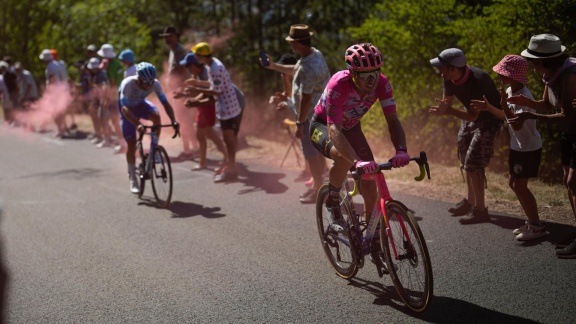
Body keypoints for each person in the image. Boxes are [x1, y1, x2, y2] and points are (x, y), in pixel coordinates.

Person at [310, 43, 409, 231]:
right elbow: (334, 131)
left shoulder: (382, 83)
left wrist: (401, 150)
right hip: (324, 125)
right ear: (352, 73)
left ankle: (371, 231)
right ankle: (332, 201)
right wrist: (356, 161)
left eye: (375, 72)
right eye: (364, 75)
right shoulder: (338, 85)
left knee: (371, 180)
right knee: (343, 158)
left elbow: (393, 121)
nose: (371, 79)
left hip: (352, 127)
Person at [508, 34, 576, 258]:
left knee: (572, 182)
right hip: (569, 134)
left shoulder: (568, 76)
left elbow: (567, 115)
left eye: (533, 61)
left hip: (573, 130)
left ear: (544, 60)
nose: (531, 65)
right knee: (569, 183)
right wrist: (529, 104)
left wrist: (529, 115)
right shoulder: (551, 75)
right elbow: (546, 105)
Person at [470, 55, 545, 241]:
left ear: (513, 76)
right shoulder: (512, 90)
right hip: (518, 146)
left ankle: (536, 226)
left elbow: (517, 124)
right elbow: (506, 116)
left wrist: (503, 103)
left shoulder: (524, 96)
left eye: (503, 74)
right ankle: (532, 221)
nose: (500, 77)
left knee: (520, 185)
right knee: (514, 184)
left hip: (527, 148)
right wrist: (489, 107)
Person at [429, 48, 503, 224]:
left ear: (453, 68)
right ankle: (470, 202)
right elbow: (447, 102)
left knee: (473, 163)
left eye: (442, 68)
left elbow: (472, 116)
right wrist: (444, 109)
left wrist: (449, 111)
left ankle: (481, 210)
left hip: (488, 119)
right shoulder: (449, 78)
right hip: (469, 114)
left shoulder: (478, 81)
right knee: (463, 152)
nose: (440, 72)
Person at [262, 24, 330, 203]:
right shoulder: (313, 54)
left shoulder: (309, 67)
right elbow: (296, 70)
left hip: (310, 117)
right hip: (320, 113)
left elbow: (306, 99)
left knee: (312, 154)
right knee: (318, 151)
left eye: (292, 42)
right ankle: (322, 186)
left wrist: (300, 124)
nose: (291, 46)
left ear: (299, 43)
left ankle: (317, 189)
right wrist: (272, 66)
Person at [186, 42, 243, 183]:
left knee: (229, 139)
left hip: (227, 107)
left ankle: (231, 169)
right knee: (229, 139)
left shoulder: (214, 68)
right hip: (228, 106)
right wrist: (198, 84)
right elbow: (214, 85)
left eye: (196, 54)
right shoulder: (212, 65)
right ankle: (231, 167)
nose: (194, 56)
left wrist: (197, 90)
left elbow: (216, 91)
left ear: (201, 55)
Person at [118, 62, 179, 193]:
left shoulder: (155, 83)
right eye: (145, 82)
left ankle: (154, 148)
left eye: (150, 82)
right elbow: (124, 109)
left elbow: (165, 104)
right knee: (131, 144)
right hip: (127, 110)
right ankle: (133, 177)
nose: (148, 86)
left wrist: (174, 121)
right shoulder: (128, 84)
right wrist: (138, 124)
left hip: (141, 104)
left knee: (156, 116)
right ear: (138, 78)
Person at [175, 52, 228, 171]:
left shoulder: (205, 74)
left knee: (205, 133)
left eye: (188, 66)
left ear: (194, 65)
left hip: (208, 106)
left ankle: (219, 158)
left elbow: (208, 95)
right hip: (205, 106)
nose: (187, 69)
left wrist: (194, 101)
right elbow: (200, 92)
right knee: (207, 133)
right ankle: (209, 160)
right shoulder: (200, 74)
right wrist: (186, 95)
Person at [268, 53, 312, 183]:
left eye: (283, 70)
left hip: (307, 115)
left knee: (310, 145)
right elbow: (289, 95)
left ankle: (315, 175)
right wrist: (280, 99)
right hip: (300, 115)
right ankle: (308, 171)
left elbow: (297, 99)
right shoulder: (290, 79)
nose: (282, 73)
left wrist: (285, 102)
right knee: (306, 144)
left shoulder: (299, 79)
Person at [159, 26, 197, 160]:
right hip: (178, 90)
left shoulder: (179, 50)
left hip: (181, 90)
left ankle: (190, 149)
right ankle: (191, 148)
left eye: (170, 36)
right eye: (166, 37)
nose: (168, 39)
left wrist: (177, 87)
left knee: (183, 120)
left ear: (176, 36)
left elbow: (181, 69)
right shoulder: (174, 50)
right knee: (183, 120)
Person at [97, 44, 124, 149]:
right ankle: (121, 141)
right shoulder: (117, 63)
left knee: (114, 120)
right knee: (116, 120)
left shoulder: (110, 67)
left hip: (114, 96)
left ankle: (122, 142)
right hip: (120, 93)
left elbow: (112, 84)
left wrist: (107, 99)